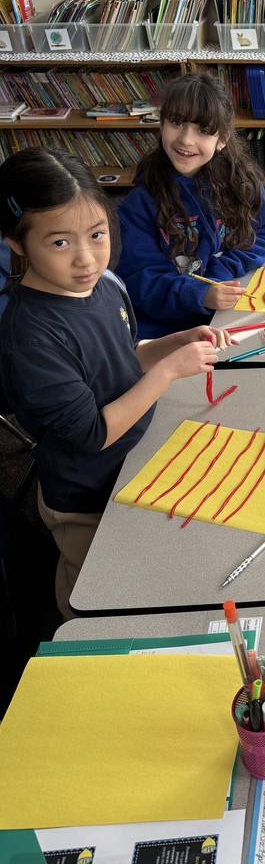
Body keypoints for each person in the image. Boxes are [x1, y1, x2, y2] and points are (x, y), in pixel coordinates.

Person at [0, 147, 233, 619]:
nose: (87, 258)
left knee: (147, 575)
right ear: (17, 243)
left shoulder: (104, 284)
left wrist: (172, 343)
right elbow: (92, 433)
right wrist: (169, 371)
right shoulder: (31, 337)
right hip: (84, 494)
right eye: (60, 243)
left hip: (136, 456)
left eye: (97, 234)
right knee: (92, 597)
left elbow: (124, 359)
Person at [117, 70, 265, 337]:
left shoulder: (241, 183)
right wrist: (199, 294)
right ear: (161, 123)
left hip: (225, 313)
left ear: (223, 139)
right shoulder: (140, 203)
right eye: (177, 122)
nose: (186, 139)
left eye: (203, 130)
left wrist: (222, 270)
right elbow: (139, 281)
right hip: (164, 329)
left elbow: (262, 233)